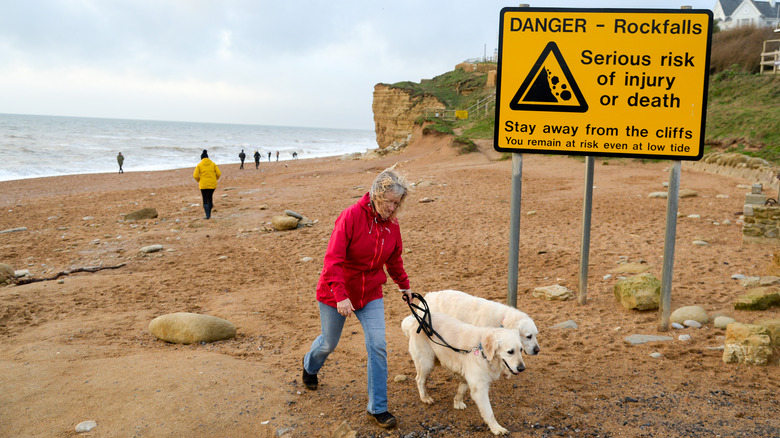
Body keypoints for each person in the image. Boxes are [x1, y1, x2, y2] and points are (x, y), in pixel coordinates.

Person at [302, 167, 413, 430]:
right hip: (336, 291)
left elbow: (394, 259)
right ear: (376, 194)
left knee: (377, 345)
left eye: (397, 204)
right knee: (329, 343)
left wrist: (404, 286)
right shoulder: (350, 216)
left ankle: (378, 408)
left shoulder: (392, 226)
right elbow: (333, 261)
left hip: (371, 292)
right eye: (390, 202)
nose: (393, 208)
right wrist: (341, 296)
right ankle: (310, 366)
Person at [193, 149, 221, 219]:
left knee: (205, 199)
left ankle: (207, 215)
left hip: (203, 184)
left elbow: (195, 175)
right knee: (210, 197)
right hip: (212, 183)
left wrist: (199, 180)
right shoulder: (213, 164)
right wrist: (216, 179)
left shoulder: (199, 165)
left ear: (201, 158)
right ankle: (209, 213)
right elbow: (219, 173)